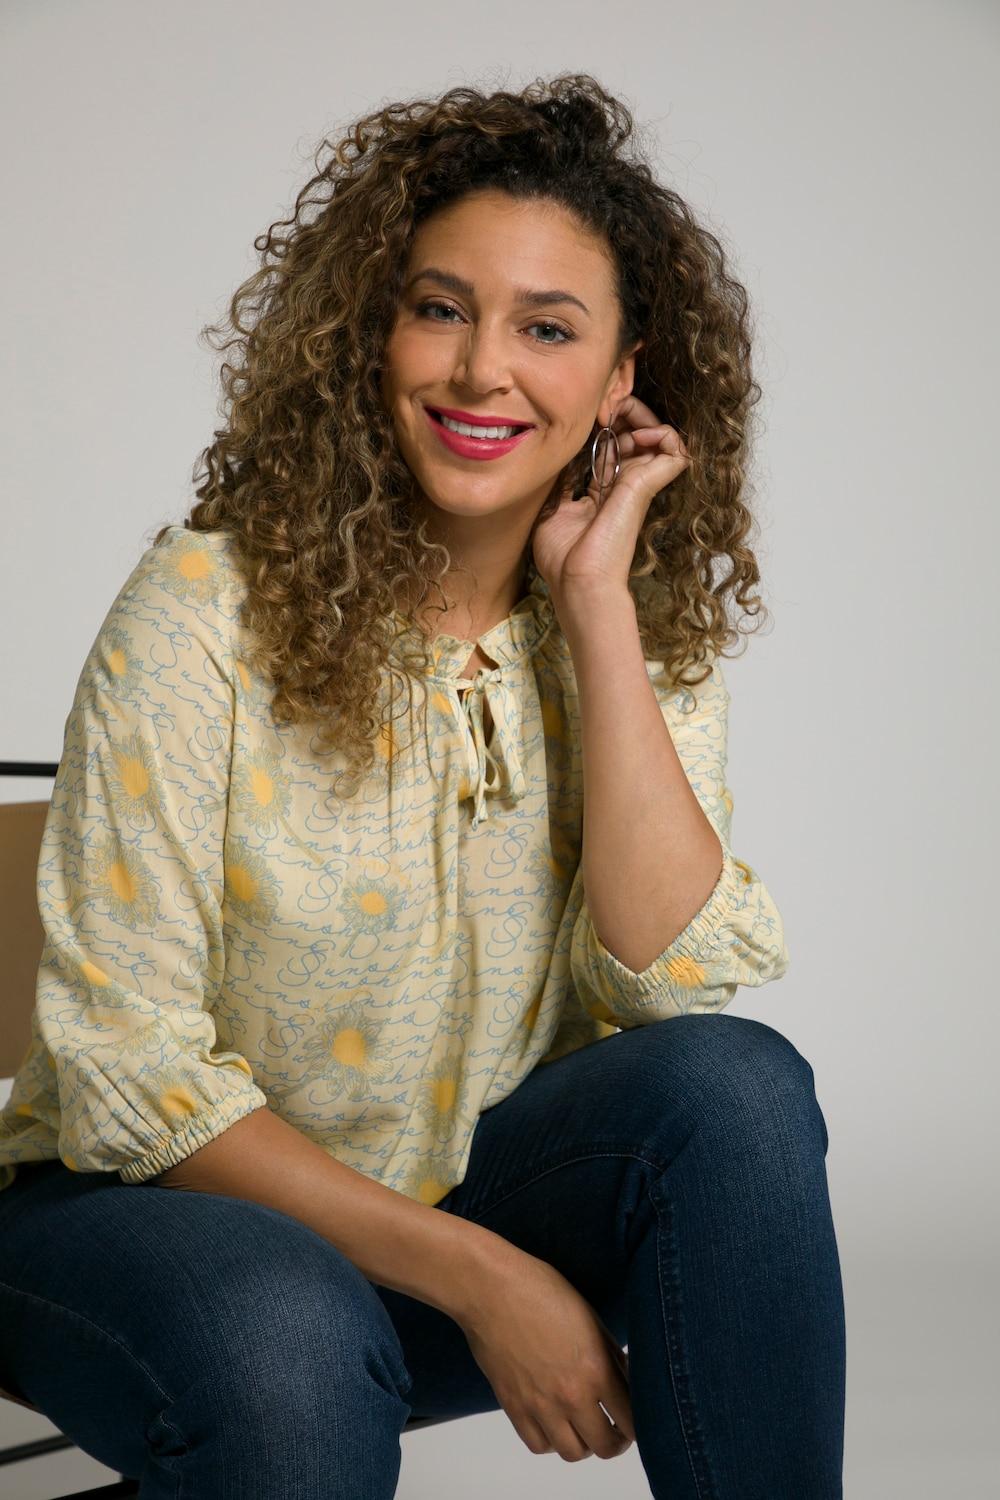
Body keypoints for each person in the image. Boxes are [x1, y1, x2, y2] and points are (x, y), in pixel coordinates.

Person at [0, 72, 845, 1499]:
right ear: (371, 331)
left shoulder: (627, 629)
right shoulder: (205, 610)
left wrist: (595, 608)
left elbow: (670, 985)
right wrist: (479, 1275)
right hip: (133, 1222)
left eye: (548, 328)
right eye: (441, 309)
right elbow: (129, 1073)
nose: (481, 371)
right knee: (285, 1335)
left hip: (441, 1202)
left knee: (738, 1093)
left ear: (621, 378)